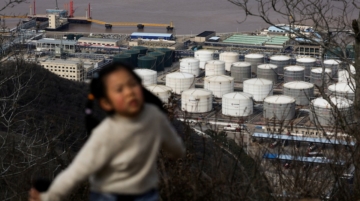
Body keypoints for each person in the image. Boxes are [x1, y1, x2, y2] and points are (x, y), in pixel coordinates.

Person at [29, 62, 185, 201]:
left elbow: (75, 174)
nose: (129, 92)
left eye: (132, 84)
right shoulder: (154, 116)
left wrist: (49, 197)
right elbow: (176, 150)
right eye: (119, 89)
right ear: (106, 103)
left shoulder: (107, 132)